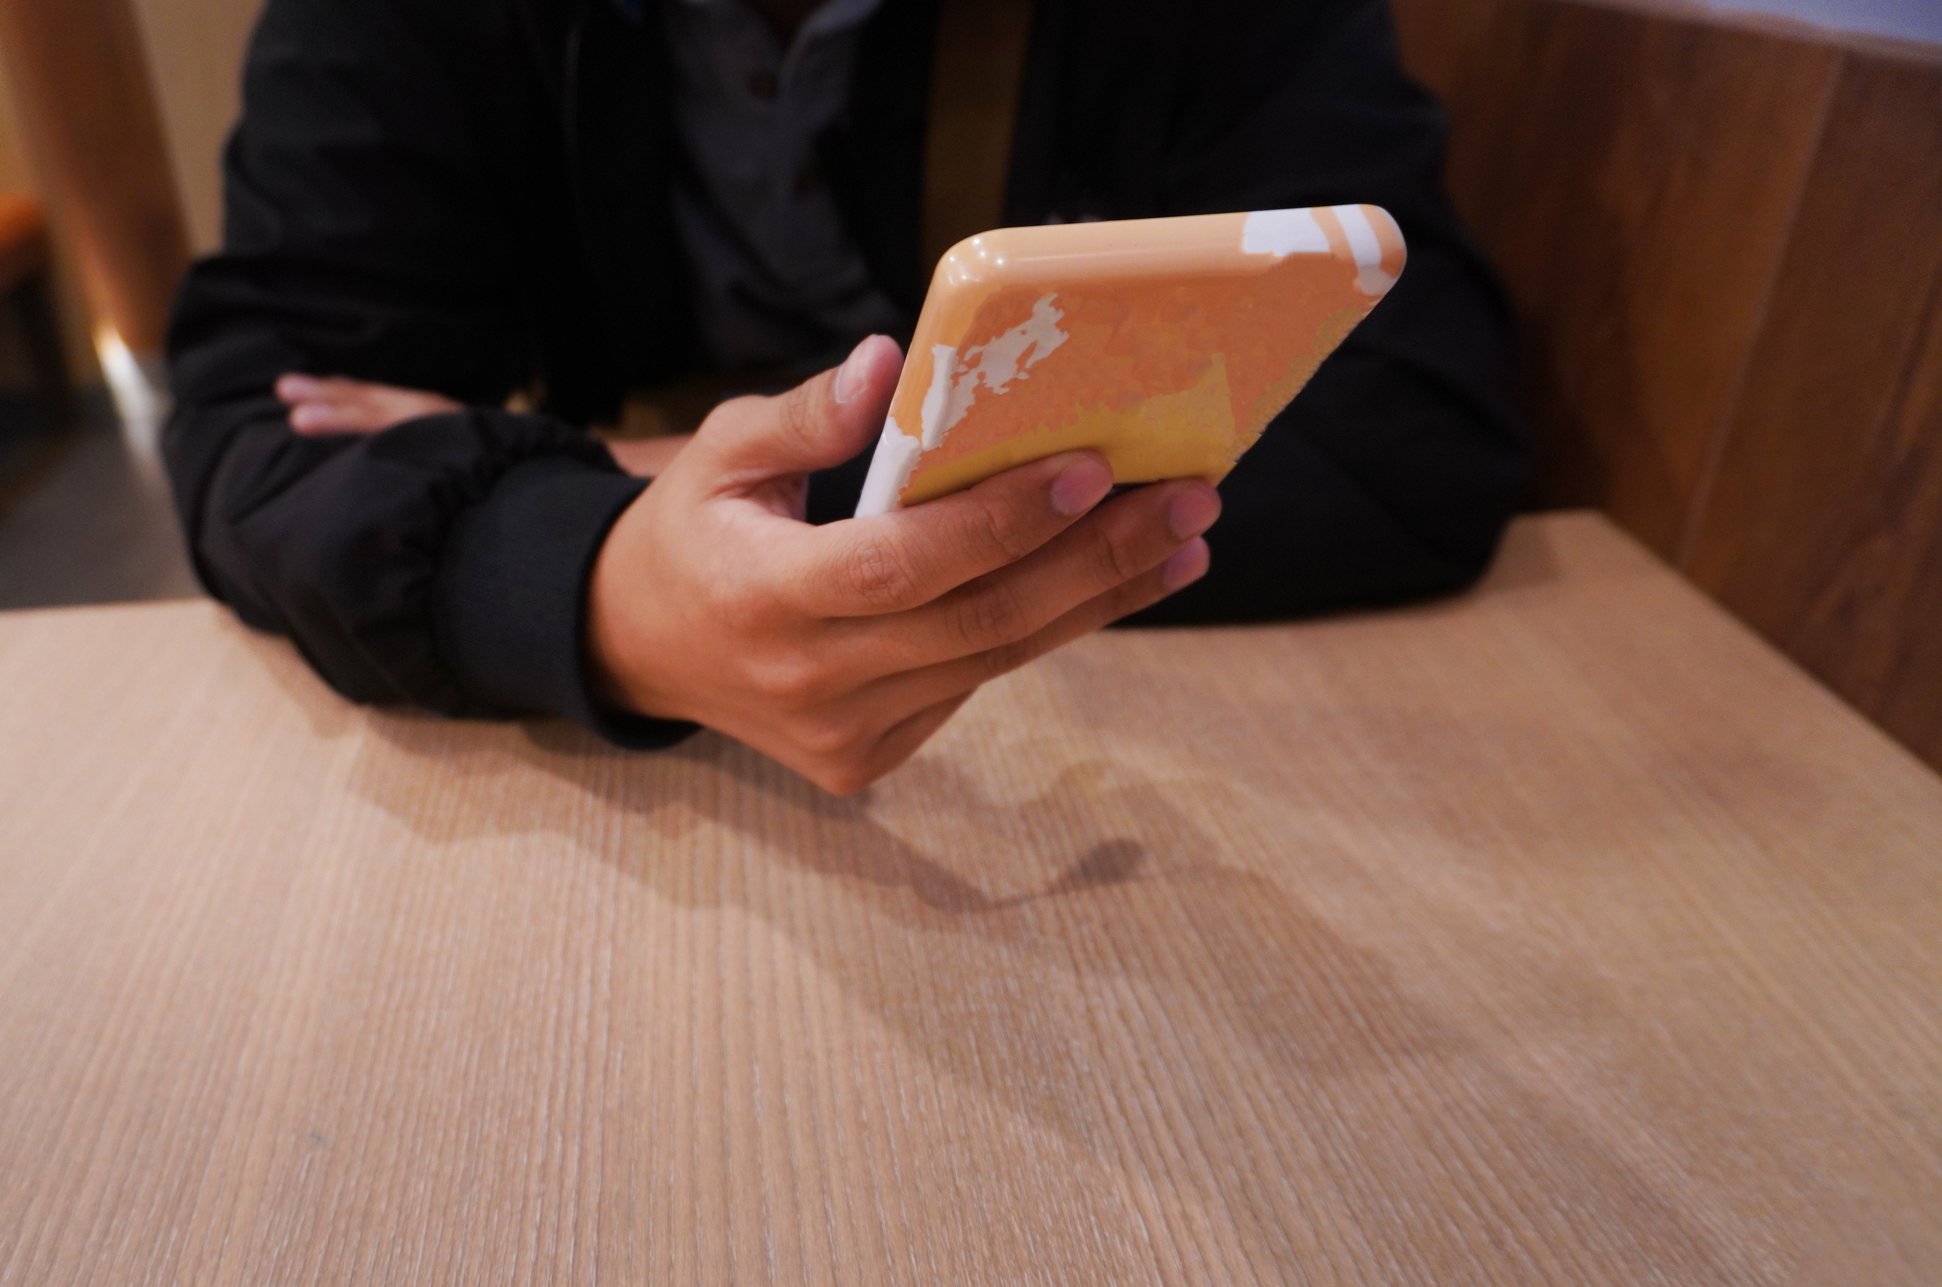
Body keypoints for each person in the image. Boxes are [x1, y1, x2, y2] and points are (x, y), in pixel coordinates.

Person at [164, 0, 1527, 794]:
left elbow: (1415, 429)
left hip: (1145, 752)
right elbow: (263, 424)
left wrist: (589, 470)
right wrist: (604, 596)